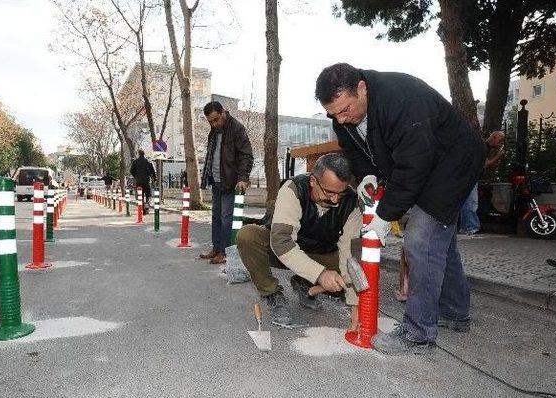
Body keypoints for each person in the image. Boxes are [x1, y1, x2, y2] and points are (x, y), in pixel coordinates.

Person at [315, 63, 485, 355]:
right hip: (423, 164)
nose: (341, 120)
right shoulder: (342, 117)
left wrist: (385, 216)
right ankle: (455, 313)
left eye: (344, 110)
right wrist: (367, 175)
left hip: (453, 162)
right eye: (334, 114)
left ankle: (418, 334)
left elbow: (413, 166)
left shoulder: (402, 99)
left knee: (420, 238)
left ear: (361, 88)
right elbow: (356, 151)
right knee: (439, 238)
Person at [237, 153, 361, 327]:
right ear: (313, 182)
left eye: (340, 193)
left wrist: (355, 304)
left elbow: (351, 256)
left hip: (322, 254)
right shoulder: (293, 189)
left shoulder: (351, 203)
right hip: (283, 250)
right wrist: (320, 274)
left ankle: (303, 282)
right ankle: (271, 293)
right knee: (247, 235)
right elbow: (282, 241)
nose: (335, 200)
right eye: (330, 192)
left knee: (350, 269)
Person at [199, 101, 253, 265]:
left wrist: (243, 178)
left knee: (226, 219)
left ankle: (225, 252)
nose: (214, 124)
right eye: (210, 122)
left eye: (216, 120)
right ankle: (216, 248)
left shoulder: (237, 128)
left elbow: (246, 154)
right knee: (216, 216)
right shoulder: (214, 131)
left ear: (223, 112)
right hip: (216, 180)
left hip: (230, 182)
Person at [459, 130, 505, 235]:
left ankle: (466, 227)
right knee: (471, 203)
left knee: (467, 203)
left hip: (469, 177)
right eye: (500, 140)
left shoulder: (485, 148)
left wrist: (493, 162)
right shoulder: (483, 147)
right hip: (470, 178)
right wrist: (498, 156)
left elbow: (485, 164)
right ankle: (471, 228)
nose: (501, 143)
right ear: (493, 137)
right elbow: (484, 164)